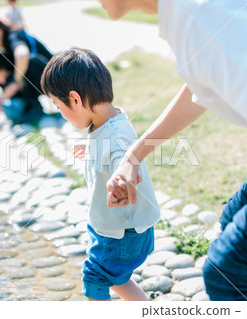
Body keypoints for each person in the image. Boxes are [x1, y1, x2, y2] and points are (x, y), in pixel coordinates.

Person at [100, 0, 247, 301]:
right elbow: (202, 84)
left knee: (230, 271)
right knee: (238, 214)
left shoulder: (196, 12)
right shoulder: (191, 9)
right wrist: (134, 155)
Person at [41, 47, 160, 301]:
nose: (60, 113)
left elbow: (125, 167)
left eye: (58, 105)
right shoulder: (108, 120)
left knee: (94, 278)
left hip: (122, 233)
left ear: (74, 99)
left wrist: (122, 183)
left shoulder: (116, 139)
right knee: (116, 279)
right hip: (121, 229)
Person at [0, 16, 53, 125]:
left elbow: (22, 55)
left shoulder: (13, 35)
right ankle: (27, 105)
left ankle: (32, 107)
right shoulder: (6, 44)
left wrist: (17, 80)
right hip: (42, 77)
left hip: (54, 77)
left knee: (27, 62)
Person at [0, 53, 46, 127]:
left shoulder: (13, 81)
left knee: (5, 104)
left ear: (2, 71)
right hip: (36, 110)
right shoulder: (18, 74)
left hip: (32, 115)